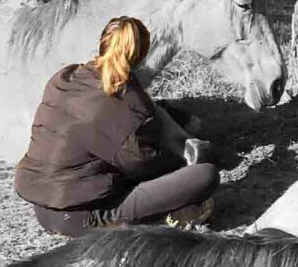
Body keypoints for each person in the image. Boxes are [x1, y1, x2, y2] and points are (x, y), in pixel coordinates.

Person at [13, 15, 220, 236]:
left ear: (103, 43)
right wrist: (179, 151)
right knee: (205, 175)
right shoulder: (130, 103)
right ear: (141, 55)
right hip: (81, 217)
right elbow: (144, 167)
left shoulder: (64, 77)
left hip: (43, 206)